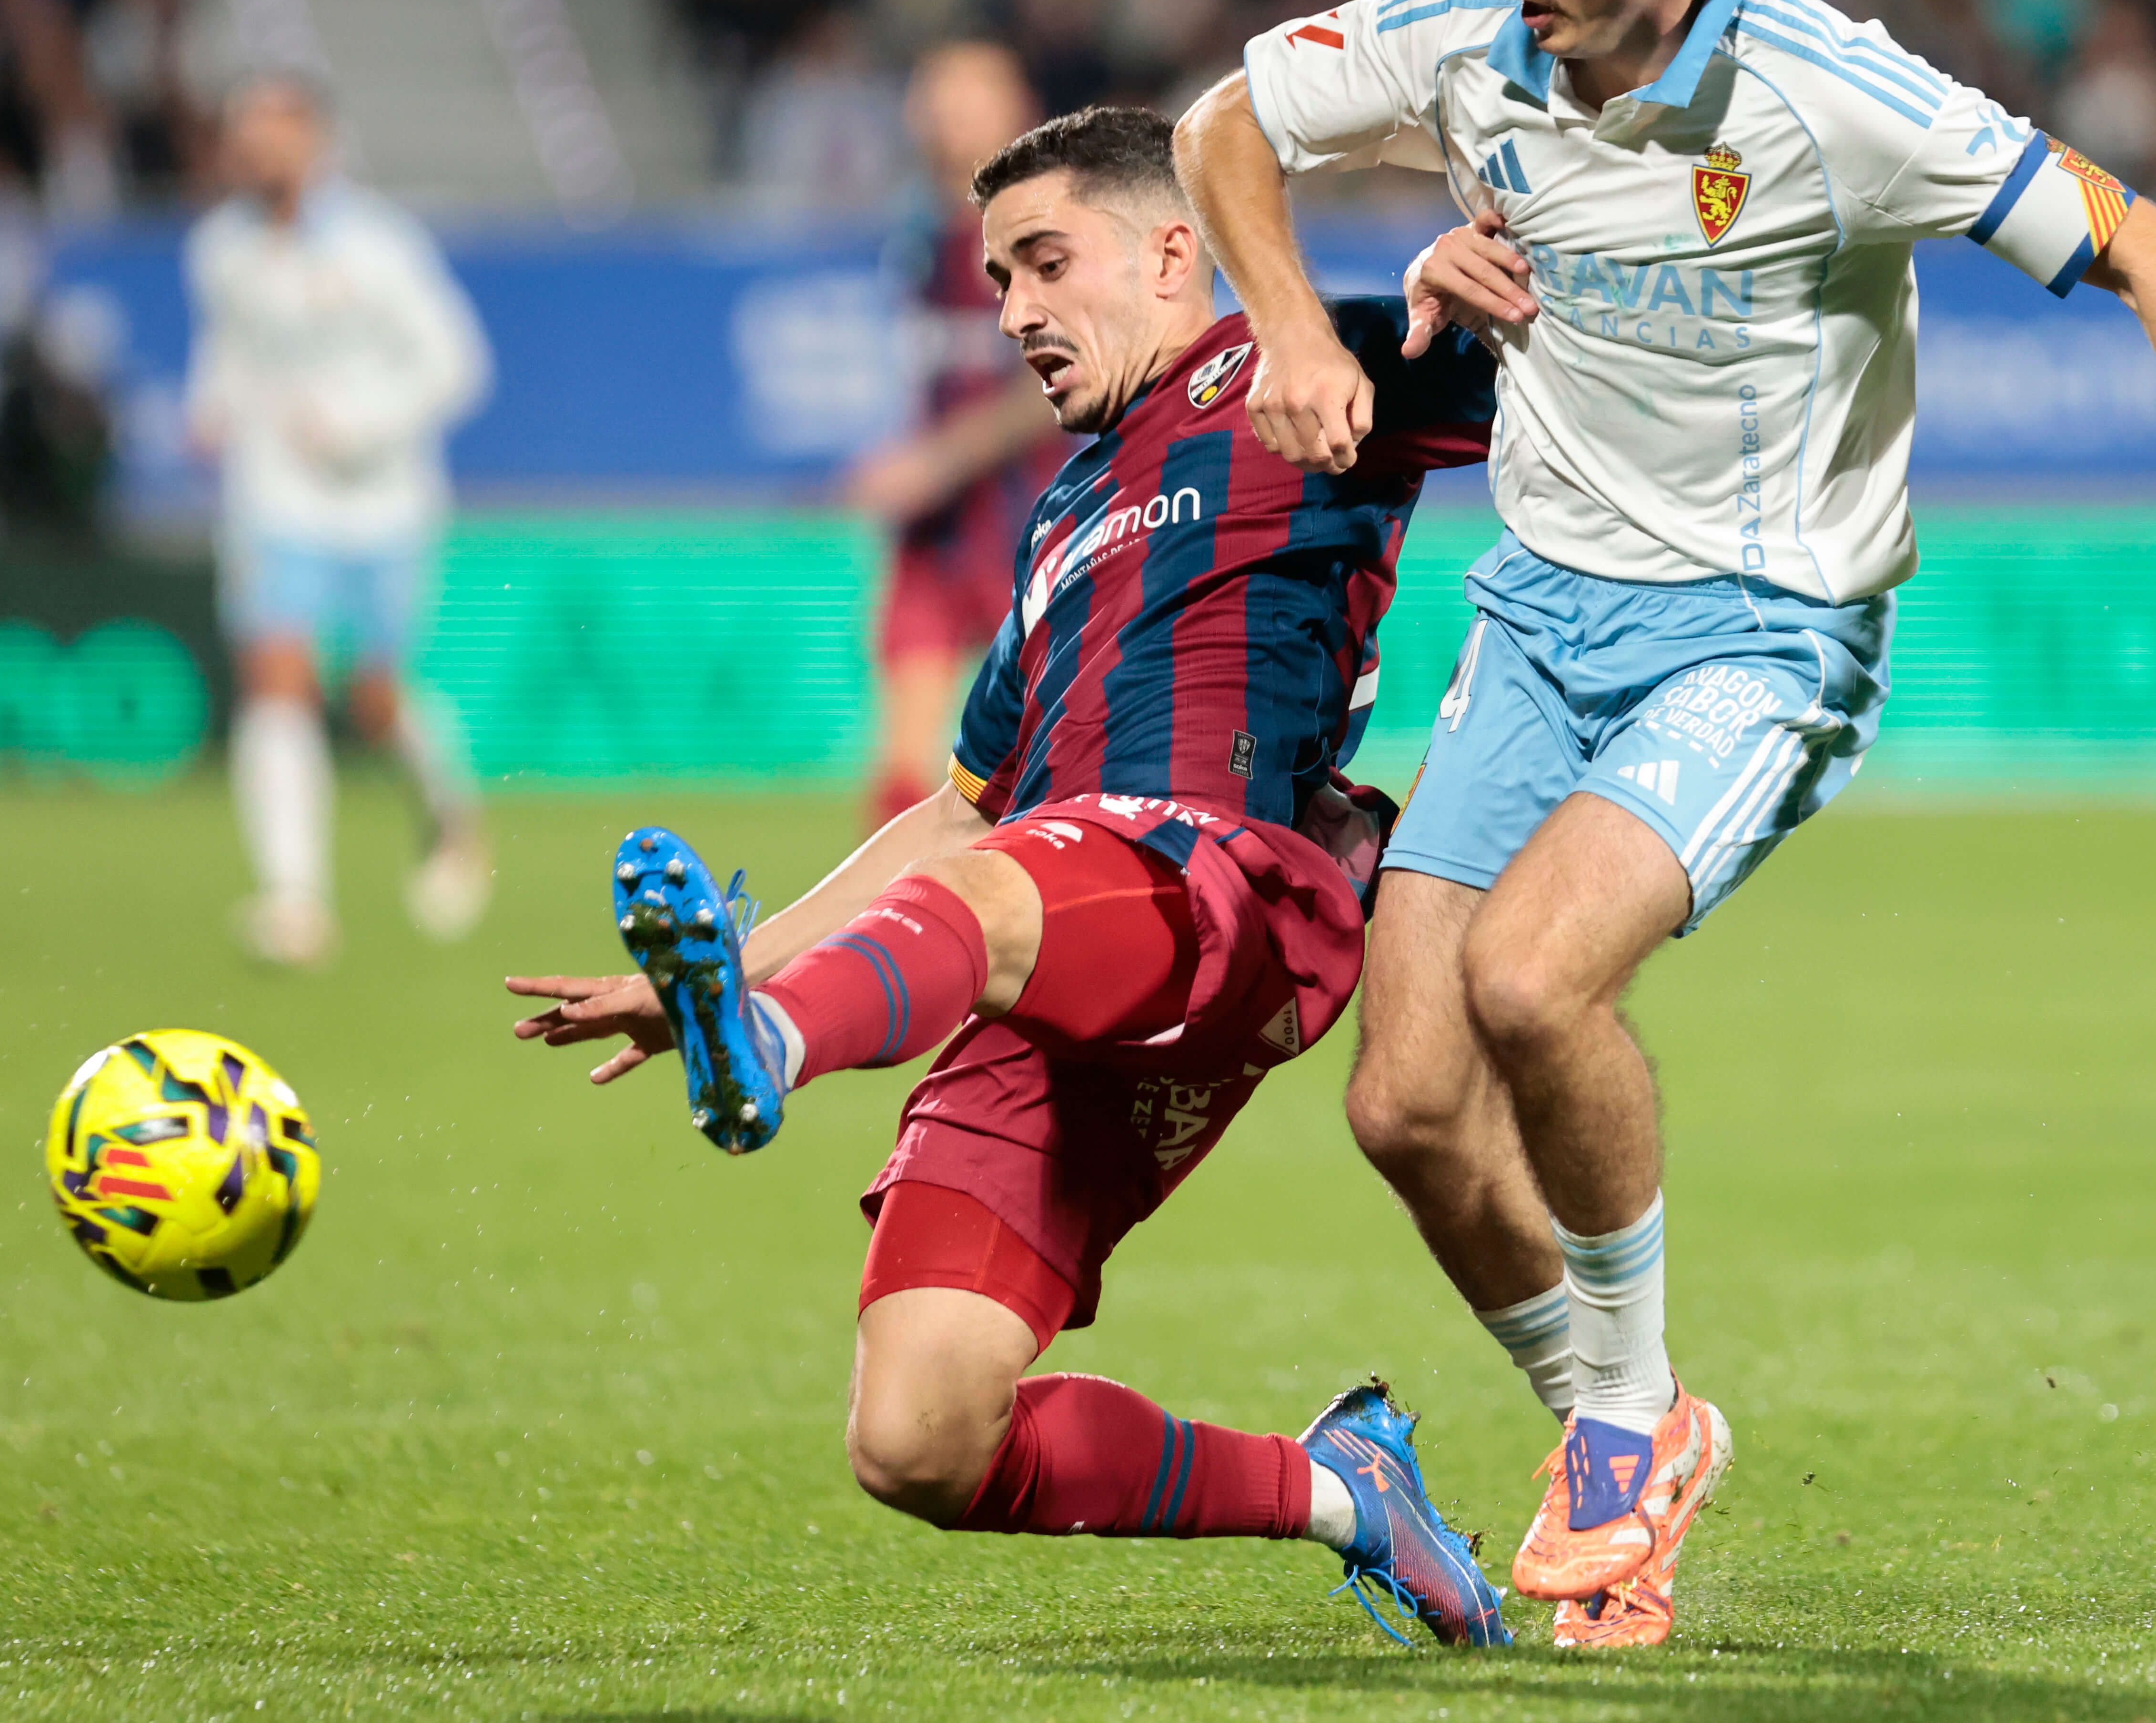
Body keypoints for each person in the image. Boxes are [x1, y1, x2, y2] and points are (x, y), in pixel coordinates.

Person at [1171, 0, 2156, 1649]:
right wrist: (1287, 324)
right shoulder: (1463, 35)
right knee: (1405, 1107)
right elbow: (1222, 125)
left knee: (1528, 979)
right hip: (1536, 616)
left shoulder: (1836, 97)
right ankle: (1629, 1420)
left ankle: (1611, 1425)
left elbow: (2151, 248)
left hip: (1760, 632)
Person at [502, 108, 1512, 1647]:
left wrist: (1509, 269)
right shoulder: (1059, 522)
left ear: (1175, 247)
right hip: (1048, 945)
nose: (1014, 313)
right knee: (919, 1438)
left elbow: (1580, 389)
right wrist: (728, 964)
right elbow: (954, 819)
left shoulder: (1295, 364)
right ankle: (1342, 1493)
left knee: (1017, 886)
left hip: (1225, 890)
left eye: (1045, 263)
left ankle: (766, 1056)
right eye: (994, 281)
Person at [184, 72, 493, 967]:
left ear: (315, 141)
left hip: (385, 504)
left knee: (374, 697)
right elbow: (231, 348)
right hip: (273, 500)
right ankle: (296, 903)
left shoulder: (378, 246)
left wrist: (362, 425)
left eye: (274, 133)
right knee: (276, 675)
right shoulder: (220, 250)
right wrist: (209, 405)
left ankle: (448, 812)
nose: (257, 151)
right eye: (245, 133)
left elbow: (456, 362)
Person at [850, 42, 1069, 827]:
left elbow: (1045, 387)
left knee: (1038, 759)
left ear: (1015, 109)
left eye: (966, 96)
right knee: (899, 769)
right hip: (939, 529)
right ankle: (888, 938)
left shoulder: (1050, 232)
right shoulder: (920, 237)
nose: (943, 115)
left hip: (1034, 514)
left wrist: (932, 463)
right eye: (933, 95)